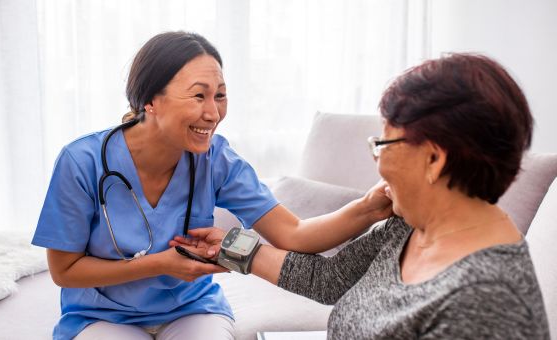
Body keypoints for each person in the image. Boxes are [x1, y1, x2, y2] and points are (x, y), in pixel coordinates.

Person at [32, 31, 390, 340]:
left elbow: (294, 233)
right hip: (102, 315)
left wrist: (368, 207)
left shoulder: (216, 159)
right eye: (198, 96)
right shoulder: (83, 161)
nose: (213, 113)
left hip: (190, 309)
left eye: (220, 95)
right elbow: (64, 270)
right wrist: (160, 264)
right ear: (150, 102)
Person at [177, 53, 551, 339]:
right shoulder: (410, 227)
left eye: (383, 143)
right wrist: (229, 246)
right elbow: (327, 279)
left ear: (434, 159)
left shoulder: (487, 301)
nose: (378, 160)